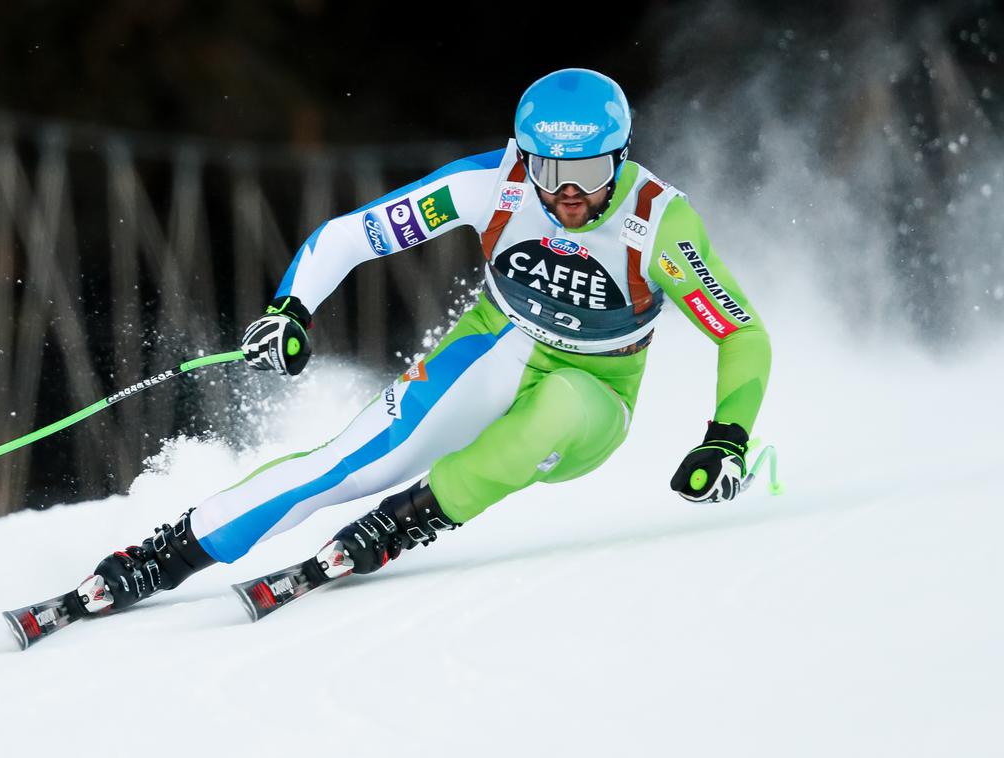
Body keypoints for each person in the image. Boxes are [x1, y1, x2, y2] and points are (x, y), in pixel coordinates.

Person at [71, 68, 772, 615]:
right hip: (494, 342)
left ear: (621, 158)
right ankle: (168, 552)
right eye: (547, 171)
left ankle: (407, 521)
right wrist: (290, 309)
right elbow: (349, 236)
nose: (565, 194)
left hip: (597, 393)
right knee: (352, 462)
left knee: (554, 406)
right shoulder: (490, 185)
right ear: (523, 157)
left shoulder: (659, 224)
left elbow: (741, 334)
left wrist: (726, 440)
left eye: (586, 175)